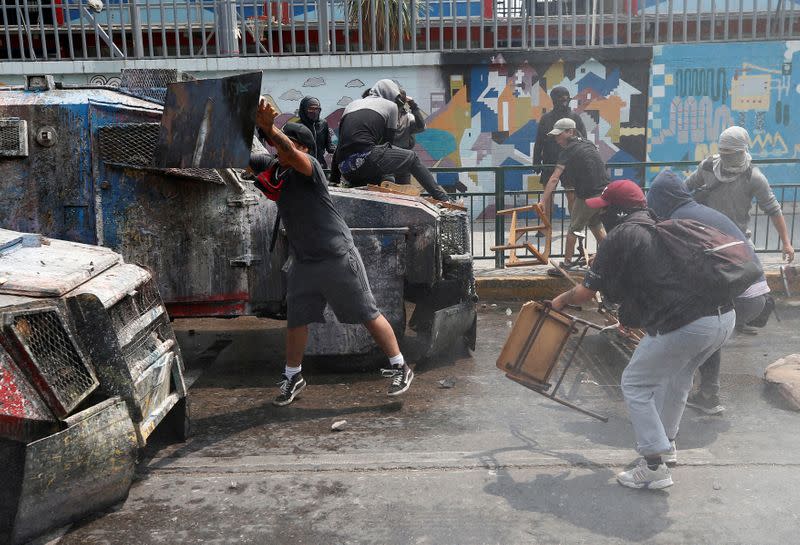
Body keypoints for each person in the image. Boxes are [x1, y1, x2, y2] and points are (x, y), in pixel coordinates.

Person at [551, 179, 736, 490]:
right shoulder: (664, 225)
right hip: (723, 318)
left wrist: (559, 301)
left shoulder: (622, 235)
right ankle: (668, 445)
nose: (600, 215)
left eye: (604, 210)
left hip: (688, 322)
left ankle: (653, 466)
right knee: (678, 378)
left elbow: (585, 291)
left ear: (618, 211)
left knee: (635, 384)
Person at [249, 99, 414, 406]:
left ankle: (399, 366)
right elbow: (244, 158)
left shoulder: (310, 170)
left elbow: (288, 153)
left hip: (337, 256)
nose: (279, 150)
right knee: (297, 319)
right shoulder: (278, 173)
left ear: (305, 149)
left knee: (367, 313)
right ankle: (293, 375)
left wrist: (269, 128)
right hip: (305, 260)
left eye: (289, 144)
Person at [647, 169, 769, 415]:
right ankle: (707, 394)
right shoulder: (700, 211)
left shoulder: (678, 220)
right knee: (711, 337)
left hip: (740, 292)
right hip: (757, 291)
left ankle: (670, 397)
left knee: (698, 332)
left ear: (661, 199)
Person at [685, 126, 794, 263]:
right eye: (722, 151)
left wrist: (786, 243)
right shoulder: (708, 167)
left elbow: (773, 209)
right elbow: (686, 186)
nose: (726, 156)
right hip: (708, 235)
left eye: (730, 152)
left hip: (738, 237)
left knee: (752, 270)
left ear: (742, 150)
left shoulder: (753, 178)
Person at [330, 79, 450, 202]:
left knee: (375, 182)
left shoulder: (351, 105)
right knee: (412, 157)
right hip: (367, 159)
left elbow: (340, 145)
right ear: (390, 94)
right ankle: (443, 199)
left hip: (346, 168)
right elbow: (388, 143)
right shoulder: (391, 106)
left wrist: (333, 181)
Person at [541, 118, 608, 269]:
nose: (557, 139)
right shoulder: (588, 143)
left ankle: (566, 264)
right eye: (556, 136)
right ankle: (611, 257)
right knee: (595, 224)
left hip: (588, 194)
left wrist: (543, 201)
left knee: (573, 229)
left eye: (559, 135)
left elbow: (554, 179)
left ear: (570, 131)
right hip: (604, 192)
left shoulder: (568, 150)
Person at [532, 86, 587, 189]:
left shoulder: (575, 118)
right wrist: (536, 161)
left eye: (566, 99)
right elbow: (539, 142)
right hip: (550, 162)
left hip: (570, 163)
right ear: (554, 100)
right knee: (549, 195)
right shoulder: (546, 118)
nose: (564, 103)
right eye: (561, 99)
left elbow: (583, 141)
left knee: (571, 195)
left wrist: (581, 161)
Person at [392, 89, 426, 185]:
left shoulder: (408, 117)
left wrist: (413, 106)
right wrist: (412, 104)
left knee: (404, 190)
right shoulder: (387, 115)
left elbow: (421, 126)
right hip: (394, 158)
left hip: (402, 159)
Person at [297, 96, 336, 168]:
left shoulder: (323, 124)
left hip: (320, 166)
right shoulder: (296, 127)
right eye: (311, 109)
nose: (314, 112)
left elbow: (329, 147)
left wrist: (344, 151)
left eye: (317, 109)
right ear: (304, 110)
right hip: (302, 166)